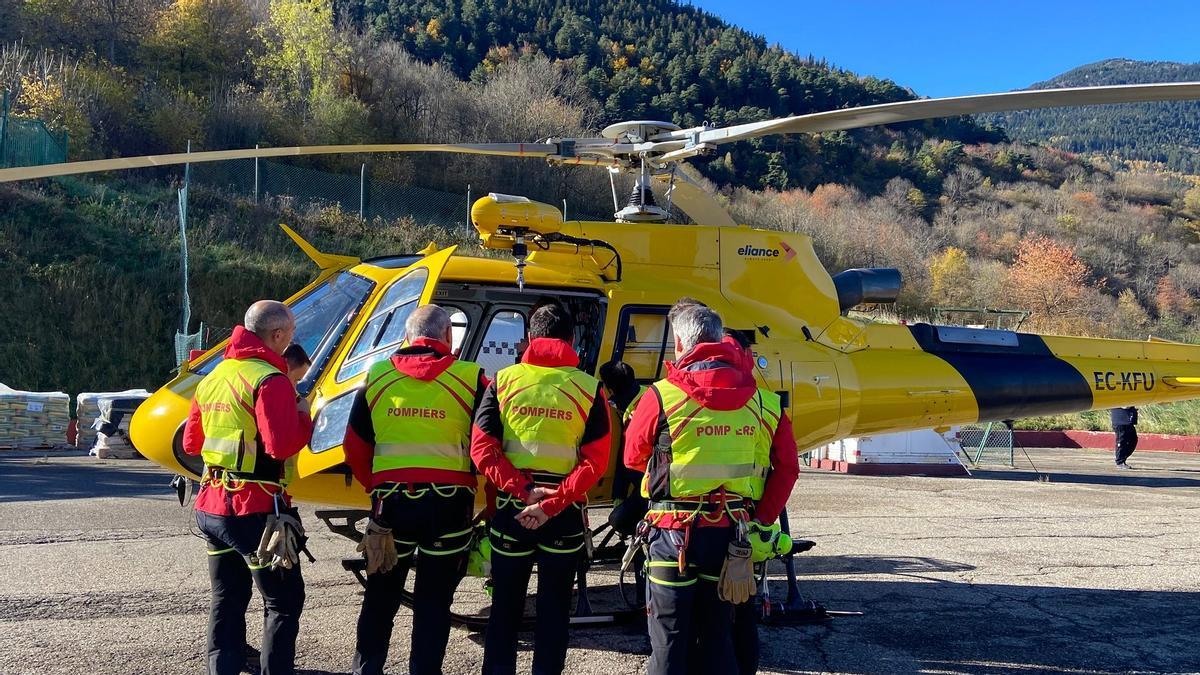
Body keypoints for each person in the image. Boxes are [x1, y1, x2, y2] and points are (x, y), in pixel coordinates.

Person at [624, 305, 799, 675]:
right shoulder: (765, 404)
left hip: (673, 534)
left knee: (669, 641)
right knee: (719, 636)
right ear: (719, 340)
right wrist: (763, 519)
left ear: (681, 343)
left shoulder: (659, 397)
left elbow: (632, 456)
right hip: (732, 538)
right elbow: (787, 469)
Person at [343, 305, 488, 675]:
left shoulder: (375, 378)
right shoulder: (472, 379)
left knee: (379, 598)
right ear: (447, 337)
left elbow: (355, 447)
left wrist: (374, 487)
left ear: (407, 337)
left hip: (391, 505)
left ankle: (367, 669)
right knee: (435, 602)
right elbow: (488, 443)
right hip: (449, 508)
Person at [470, 303, 611, 675]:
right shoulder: (589, 388)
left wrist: (522, 490)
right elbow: (594, 462)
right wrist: (553, 503)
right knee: (553, 613)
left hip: (512, 512)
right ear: (570, 340)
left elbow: (482, 449)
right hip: (562, 518)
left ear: (530, 338)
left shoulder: (503, 381)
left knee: (505, 610)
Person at [182, 300, 313, 675]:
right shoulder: (268, 380)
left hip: (211, 506)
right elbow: (281, 445)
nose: (291, 340)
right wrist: (305, 417)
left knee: (227, 599)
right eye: (290, 334)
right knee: (283, 603)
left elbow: (193, 444)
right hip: (253, 511)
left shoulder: (215, 377)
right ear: (277, 335)